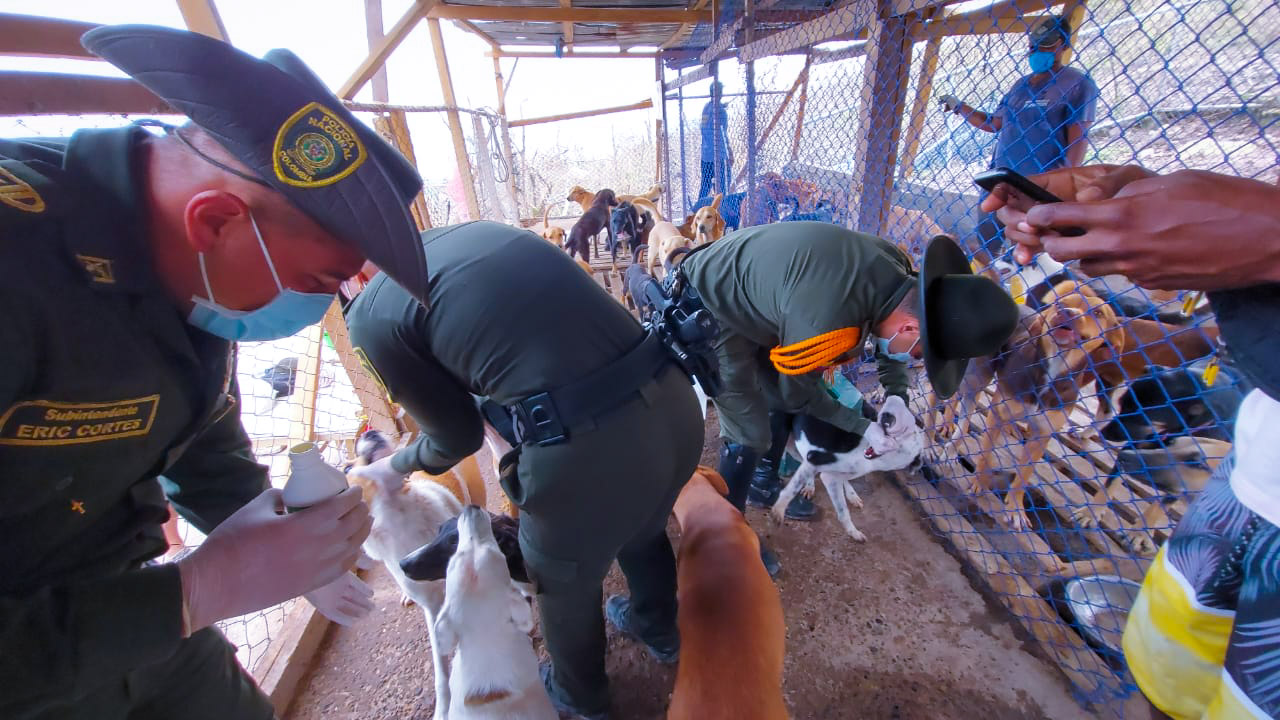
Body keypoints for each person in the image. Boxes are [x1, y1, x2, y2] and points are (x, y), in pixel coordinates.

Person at [0, 25, 431, 719]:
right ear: (216, 221)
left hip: (142, 622)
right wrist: (199, 591)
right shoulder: (18, 264)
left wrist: (283, 549)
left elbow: (196, 431)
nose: (325, 303)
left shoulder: (179, 268)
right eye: (319, 279)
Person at [345, 221, 704, 720]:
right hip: (678, 410)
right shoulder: (474, 232)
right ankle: (659, 626)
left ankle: (580, 696)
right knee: (642, 524)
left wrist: (394, 465)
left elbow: (456, 438)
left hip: (594, 449)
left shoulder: (372, 311)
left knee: (559, 574)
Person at [982, 164, 1280, 719]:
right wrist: (1143, 196)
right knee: (1163, 671)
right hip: (1247, 470)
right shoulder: (1039, 337)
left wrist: (1266, 232)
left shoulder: (1104, 360)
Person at [677, 222, 1020, 574]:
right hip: (711, 303)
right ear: (910, 330)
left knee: (773, 396)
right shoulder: (830, 324)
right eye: (920, 356)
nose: (915, 361)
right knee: (749, 429)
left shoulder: (897, 270)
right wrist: (863, 426)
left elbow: (891, 324)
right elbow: (798, 395)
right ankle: (723, 539)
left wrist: (897, 394)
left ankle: (761, 483)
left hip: (758, 294)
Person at [939, 15, 1098, 270]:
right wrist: (959, 106)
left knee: (1027, 254)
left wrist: (1065, 184)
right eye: (1033, 45)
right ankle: (988, 286)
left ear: (1063, 45)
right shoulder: (1020, 86)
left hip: (1038, 186)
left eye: (1046, 45)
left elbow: (1078, 137)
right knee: (986, 246)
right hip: (1001, 181)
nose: (1037, 51)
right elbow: (993, 123)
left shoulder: (1076, 84)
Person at [697, 80, 733, 201]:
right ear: (720, 93)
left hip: (706, 155)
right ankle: (722, 209)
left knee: (705, 186)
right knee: (723, 187)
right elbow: (723, 134)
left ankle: (698, 209)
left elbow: (704, 127)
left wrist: (720, 106)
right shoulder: (722, 112)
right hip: (719, 155)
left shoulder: (706, 107)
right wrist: (730, 153)